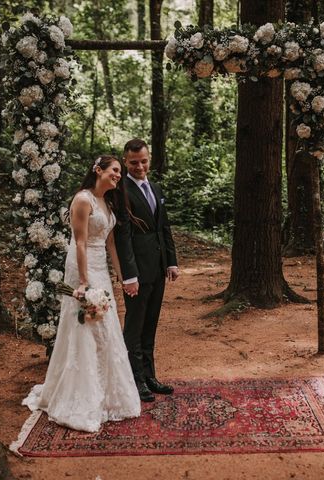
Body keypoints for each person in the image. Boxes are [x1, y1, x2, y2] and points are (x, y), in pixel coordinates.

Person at [22, 155, 141, 432]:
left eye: (120, 173)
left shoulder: (108, 202)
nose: (118, 176)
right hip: (82, 266)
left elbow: (110, 243)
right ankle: (81, 396)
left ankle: (110, 396)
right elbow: (80, 241)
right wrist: (85, 281)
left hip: (101, 267)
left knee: (106, 326)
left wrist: (121, 276)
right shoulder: (83, 199)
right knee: (85, 326)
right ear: (98, 169)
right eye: (114, 170)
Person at [114, 138, 179, 403]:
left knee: (150, 323)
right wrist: (129, 275)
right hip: (137, 273)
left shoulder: (155, 187)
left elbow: (163, 227)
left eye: (143, 161)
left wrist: (171, 261)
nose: (139, 166)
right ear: (125, 161)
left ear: (148, 158)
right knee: (135, 325)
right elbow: (123, 237)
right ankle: (135, 378)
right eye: (133, 162)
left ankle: (150, 375)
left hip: (158, 268)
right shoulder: (121, 191)